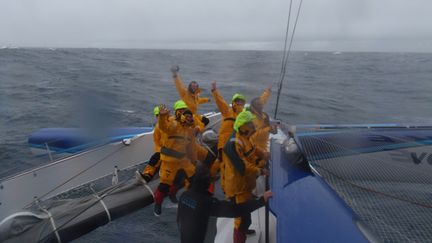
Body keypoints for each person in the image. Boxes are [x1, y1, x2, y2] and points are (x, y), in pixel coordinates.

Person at [177, 163, 272, 243]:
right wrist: (262, 200)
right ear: (206, 183)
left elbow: (179, 220)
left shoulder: (184, 195)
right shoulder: (206, 202)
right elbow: (235, 210)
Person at [222, 110, 269, 243]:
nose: (254, 126)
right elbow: (243, 166)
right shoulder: (234, 144)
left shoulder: (245, 138)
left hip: (245, 186)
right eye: (251, 124)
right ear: (243, 126)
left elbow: (254, 150)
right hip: (237, 189)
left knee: (246, 215)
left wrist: (265, 155)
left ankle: (245, 229)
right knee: (241, 219)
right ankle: (239, 236)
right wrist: (260, 171)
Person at [153, 102, 197, 216]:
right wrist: (162, 116)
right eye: (185, 115)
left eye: (189, 116)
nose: (188, 118)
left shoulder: (189, 129)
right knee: (164, 186)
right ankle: (158, 203)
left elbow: (191, 146)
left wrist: (193, 160)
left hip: (183, 160)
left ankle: (185, 199)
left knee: (193, 178)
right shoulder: (173, 125)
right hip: (170, 161)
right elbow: (164, 127)